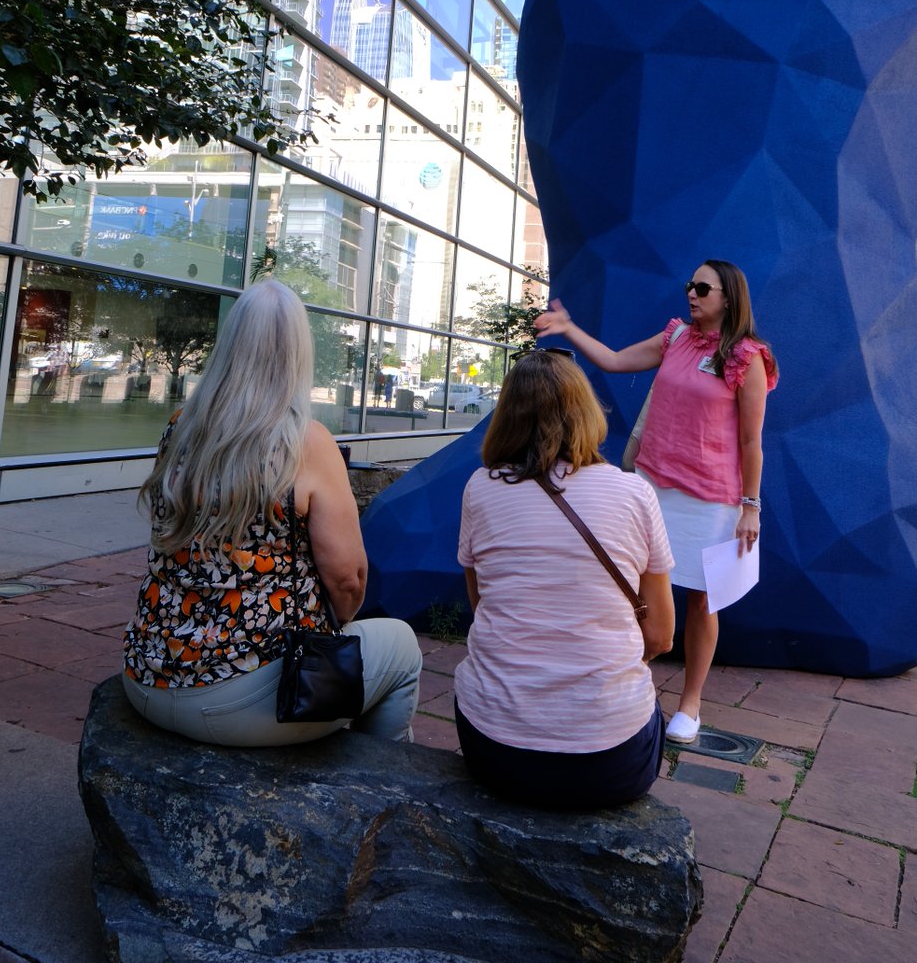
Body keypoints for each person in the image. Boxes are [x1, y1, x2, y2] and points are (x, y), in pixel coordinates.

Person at [122, 279, 422, 746]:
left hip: (148, 676)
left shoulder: (181, 426)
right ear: (298, 353)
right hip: (249, 702)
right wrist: (337, 625)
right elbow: (347, 580)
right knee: (401, 646)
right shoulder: (305, 442)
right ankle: (374, 785)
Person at [534, 260, 779, 744]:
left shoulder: (748, 358)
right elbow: (614, 360)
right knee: (629, 590)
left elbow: (752, 442)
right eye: (690, 285)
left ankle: (691, 704)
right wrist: (568, 328)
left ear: (729, 297)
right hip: (650, 485)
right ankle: (625, 684)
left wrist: (750, 507)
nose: (691, 293)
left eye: (702, 287)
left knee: (703, 602)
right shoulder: (675, 339)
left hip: (713, 497)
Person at [454, 349, 675, 809]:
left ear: (507, 417)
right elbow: (660, 634)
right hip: (610, 762)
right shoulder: (635, 493)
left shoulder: (480, 488)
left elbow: (483, 608)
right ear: (587, 412)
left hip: (494, 749)